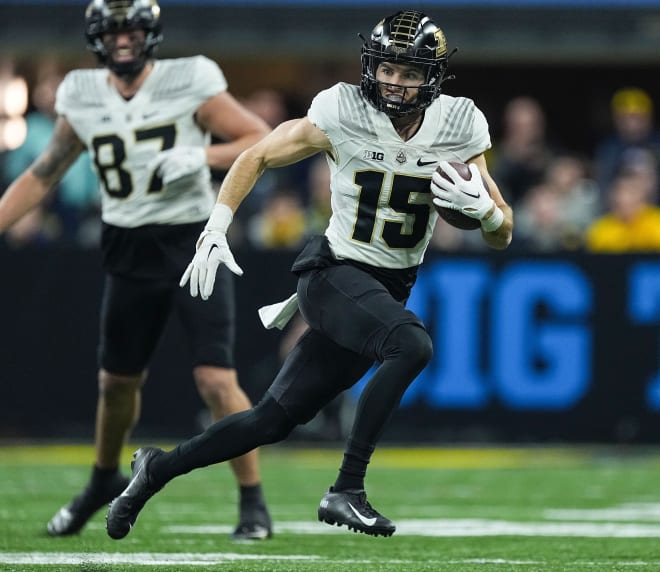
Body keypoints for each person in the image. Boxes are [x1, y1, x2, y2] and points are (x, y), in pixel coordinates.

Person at [105, 10, 513, 540]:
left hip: (386, 286)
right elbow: (257, 155)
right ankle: (347, 488)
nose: (396, 82)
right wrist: (216, 227)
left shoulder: (460, 123)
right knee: (411, 345)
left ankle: (154, 469)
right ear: (372, 65)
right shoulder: (341, 108)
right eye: (389, 68)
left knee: (270, 420)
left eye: (410, 73)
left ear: (432, 79)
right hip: (334, 273)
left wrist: (484, 213)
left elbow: (503, 231)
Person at [0, 0, 274, 541]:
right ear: (96, 39)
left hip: (193, 239)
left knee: (216, 379)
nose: (123, 40)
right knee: (116, 384)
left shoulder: (188, 79)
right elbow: (44, 171)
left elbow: (260, 138)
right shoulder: (82, 93)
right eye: (113, 31)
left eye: (132, 29)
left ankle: (253, 499)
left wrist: (202, 158)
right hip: (126, 244)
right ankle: (103, 478)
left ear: (150, 34)